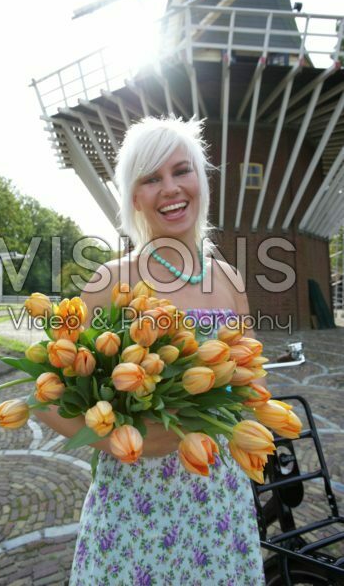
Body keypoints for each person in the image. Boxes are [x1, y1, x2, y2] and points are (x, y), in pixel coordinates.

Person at [34, 116, 266, 585]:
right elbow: (45, 394)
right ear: (134, 197)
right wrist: (124, 443)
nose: (170, 188)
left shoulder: (229, 283)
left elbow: (254, 387)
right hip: (136, 507)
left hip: (217, 501)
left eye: (182, 170)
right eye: (150, 178)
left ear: (201, 180)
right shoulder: (112, 281)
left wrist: (250, 415)